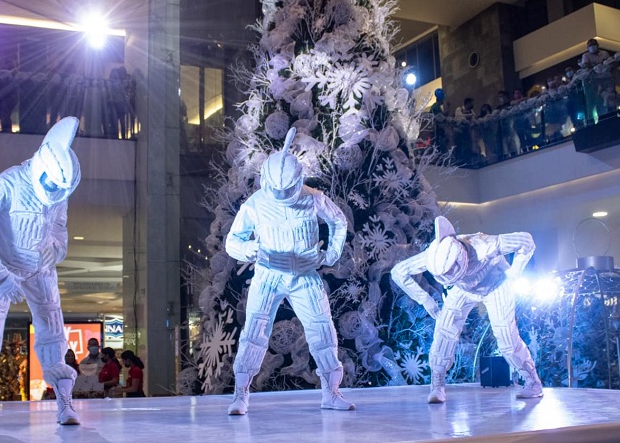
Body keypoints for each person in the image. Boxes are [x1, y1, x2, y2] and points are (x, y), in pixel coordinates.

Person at [0, 117, 83, 429]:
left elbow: (59, 230)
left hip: (42, 271)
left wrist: (57, 250)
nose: (55, 193)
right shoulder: (7, 183)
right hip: (4, 268)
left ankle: (65, 402)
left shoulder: (59, 192)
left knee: (53, 333)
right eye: (52, 186)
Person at [225, 128, 353, 415]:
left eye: (287, 189)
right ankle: (240, 394)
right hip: (269, 275)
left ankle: (331, 392)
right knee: (254, 333)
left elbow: (339, 222)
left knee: (322, 332)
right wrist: (248, 250)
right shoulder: (256, 203)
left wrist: (331, 254)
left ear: (299, 180)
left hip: (305, 275)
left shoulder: (313, 197)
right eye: (277, 189)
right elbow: (232, 241)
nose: (282, 194)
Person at [390, 216, 542, 403]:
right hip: (463, 290)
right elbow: (398, 272)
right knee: (444, 332)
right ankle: (437, 386)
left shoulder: (485, 246)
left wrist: (514, 272)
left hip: (496, 285)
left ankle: (532, 382)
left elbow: (526, 240)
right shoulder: (432, 255)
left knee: (506, 337)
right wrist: (426, 300)